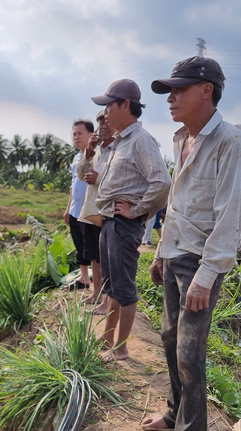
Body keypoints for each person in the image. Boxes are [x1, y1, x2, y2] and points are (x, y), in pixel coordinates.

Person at [144, 56, 241, 431]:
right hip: (174, 252)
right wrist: (159, 251)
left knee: (191, 353)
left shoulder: (231, 142)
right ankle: (174, 412)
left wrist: (206, 276)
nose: (170, 99)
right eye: (168, 92)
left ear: (206, 91)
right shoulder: (181, 139)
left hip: (200, 260)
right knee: (170, 337)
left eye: (179, 90)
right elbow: (177, 203)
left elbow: (230, 217)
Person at [90, 78, 171, 361]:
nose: (106, 112)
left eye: (109, 106)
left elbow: (161, 182)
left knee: (124, 288)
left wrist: (137, 211)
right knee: (111, 286)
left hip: (124, 224)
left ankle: (121, 348)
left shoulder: (141, 140)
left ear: (125, 105)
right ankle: (108, 338)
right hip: (110, 221)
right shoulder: (118, 143)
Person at [77, 110, 114, 314]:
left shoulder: (119, 150)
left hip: (107, 211)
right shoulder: (98, 151)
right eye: (100, 124)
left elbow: (123, 180)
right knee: (94, 257)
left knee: (106, 258)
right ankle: (97, 292)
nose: (103, 128)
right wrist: (88, 152)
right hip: (92, 210)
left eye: (107, 123)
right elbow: (82, 175)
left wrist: (98, 179)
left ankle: (106, 299)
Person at [63, 120, 94, 290]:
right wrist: (68, 209)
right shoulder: (76, 158)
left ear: (91, 134)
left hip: (90, 211)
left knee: (93, 249)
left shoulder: (98, 156)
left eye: (79, 133)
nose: (76, 137)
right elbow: (73, 185)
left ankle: (99, 283)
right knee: (79, 244)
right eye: (74, 134)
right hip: (75, 210)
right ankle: (84, 279)